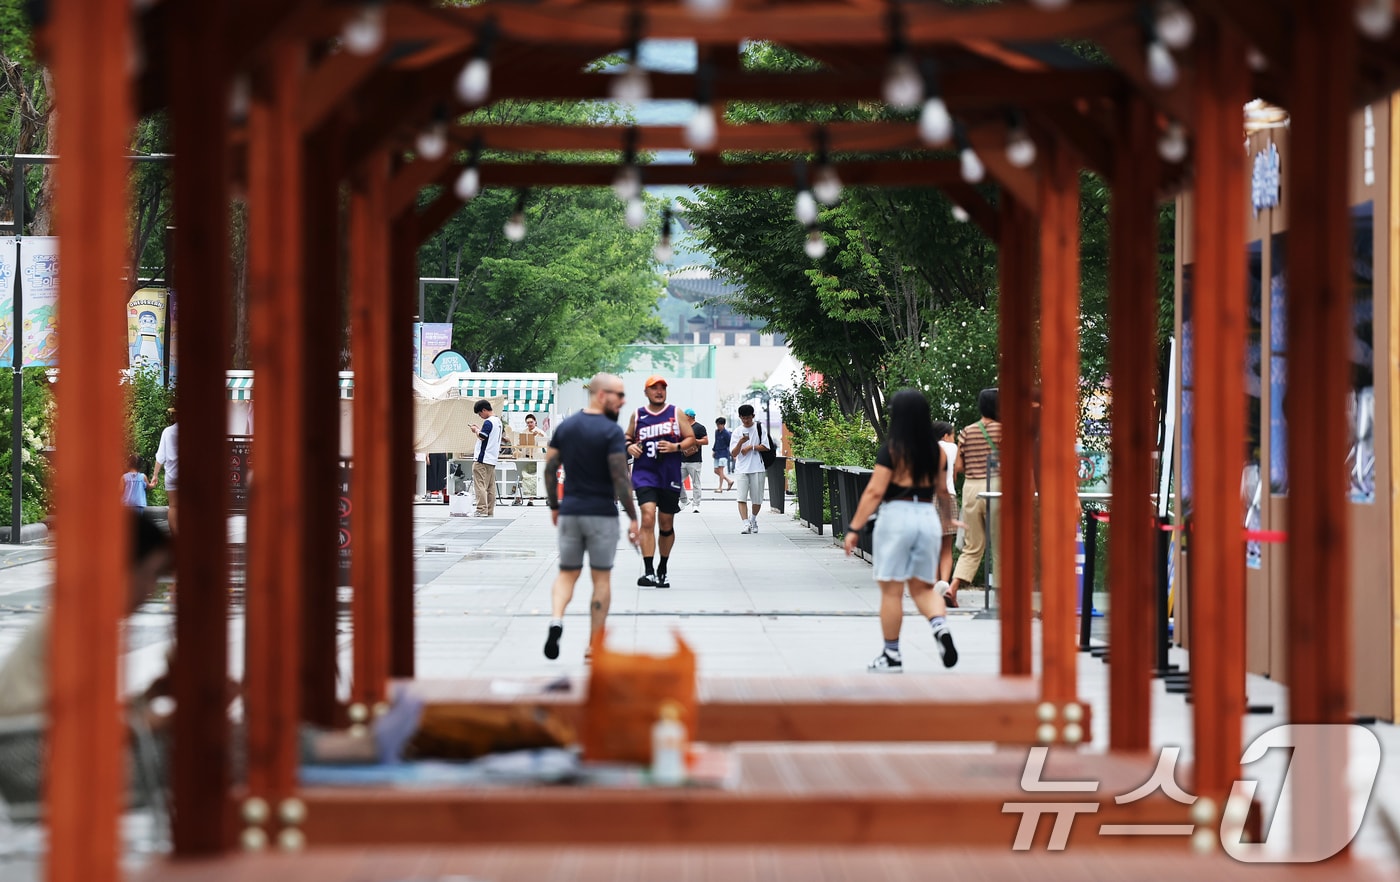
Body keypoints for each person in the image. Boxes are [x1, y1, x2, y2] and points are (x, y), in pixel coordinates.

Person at [842, 389, 958, 672]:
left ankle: (891, 655)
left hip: (897, 517)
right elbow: (943, 492)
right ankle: (940, 628)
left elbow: (874, 491)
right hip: (927, 518)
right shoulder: (937, 453)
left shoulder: (892, 450)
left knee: (892, 591)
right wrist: (949, 520)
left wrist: (855, 527)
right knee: (922, 588)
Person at [542, 373, 641, 662]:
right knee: (601, 578)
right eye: (618, 395)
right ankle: (593, 646)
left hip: (571, 511)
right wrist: (633, 517)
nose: (623, 401)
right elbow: (621, 478)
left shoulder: (566, 428)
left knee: (567, 573)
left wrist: (554, 506)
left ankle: (556, 620)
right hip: (601, 514)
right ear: (601, 395)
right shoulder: (611, 432)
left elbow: (550, 469)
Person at [625, 375, 698, 587]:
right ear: (646, 392)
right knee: (647, 517)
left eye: (662, 388)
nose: (659, 391)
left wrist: (675, 447)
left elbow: (690, 438)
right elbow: (627, 437)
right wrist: (630, 446)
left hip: (669, 475)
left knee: (666, 524)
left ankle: (662, 568)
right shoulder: (638, 415)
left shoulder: (675, 413)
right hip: (645, 473)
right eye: (654, 388)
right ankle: (648, 571)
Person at [945, 388, 1001, 609]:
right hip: (997, 485)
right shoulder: (1003, 430)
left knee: (972, 545)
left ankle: (952, 588)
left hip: (971, 488)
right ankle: (999, 598)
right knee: (1001, 545)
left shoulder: (967, 431)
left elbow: (958, 466)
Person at [730, 403, 771, 534]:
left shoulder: (760, 428)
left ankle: (753, 519)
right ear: (740, 417)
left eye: (748, 418)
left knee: (757, 499)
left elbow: (766, 446)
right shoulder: (737, 431)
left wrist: (751, 447)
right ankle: (745, 524)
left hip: (757, 468)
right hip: (742, 468)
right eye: (743, 418)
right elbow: (734, 453)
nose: (746, 420)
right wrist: (741, 442)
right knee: (741, 497)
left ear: (753, 416)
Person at [932, 421, 959, 587]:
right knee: (946, 547)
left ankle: (933, 585)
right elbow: (954, 475)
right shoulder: (952, 448)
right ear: (945, 435)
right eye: (953, 434)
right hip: (948, 496)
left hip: (928, 499)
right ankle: (944, 583)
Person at [468, 399, 502, 517]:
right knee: (490, 487)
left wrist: (476, 430)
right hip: (492, 459)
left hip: (482, 459)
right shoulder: (498, 421)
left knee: (480, 485)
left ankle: (481, 509)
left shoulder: (488, 422)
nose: (480, 416)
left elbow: (482, 436)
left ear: (484, 410)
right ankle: (489, 510)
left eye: (479, 413)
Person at [149, 408, 178, 530]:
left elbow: (160, 456)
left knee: (173, 507)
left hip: (172, 475)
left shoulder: (168, 431)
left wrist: (155, 475)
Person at [678, 408, 709, 512]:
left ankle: (696, 505)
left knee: (696, 483)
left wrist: (694, 441)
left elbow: (706, 441)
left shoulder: (699, 427)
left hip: (695, 460)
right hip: (682, 459)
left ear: (690, 416)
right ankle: (684, 500)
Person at [514, 413, 548, 506]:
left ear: (535, 422)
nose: (530, 424)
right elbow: (519, 443)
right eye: (528, 422)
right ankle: (527, 498)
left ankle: (537, 498)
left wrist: (539, 434)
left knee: (538, 478)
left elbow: (545, 441)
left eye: (531, 422)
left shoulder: (540, 432)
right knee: (526, 477)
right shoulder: (524, 432)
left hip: (537, 457)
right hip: (526, 457)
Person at [711, 416, 735, 493]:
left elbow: (730, 444)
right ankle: (729, 481)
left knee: (721, 470)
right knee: (716, 470)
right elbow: (716, 441)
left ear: (723, 425)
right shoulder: (717, 432)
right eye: (717, 425)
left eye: (719, 425)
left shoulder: (727, 434)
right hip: (717, 453)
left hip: (723, 453)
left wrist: (732, 454)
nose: (718, 426)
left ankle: (720, 487)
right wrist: (714, 450)